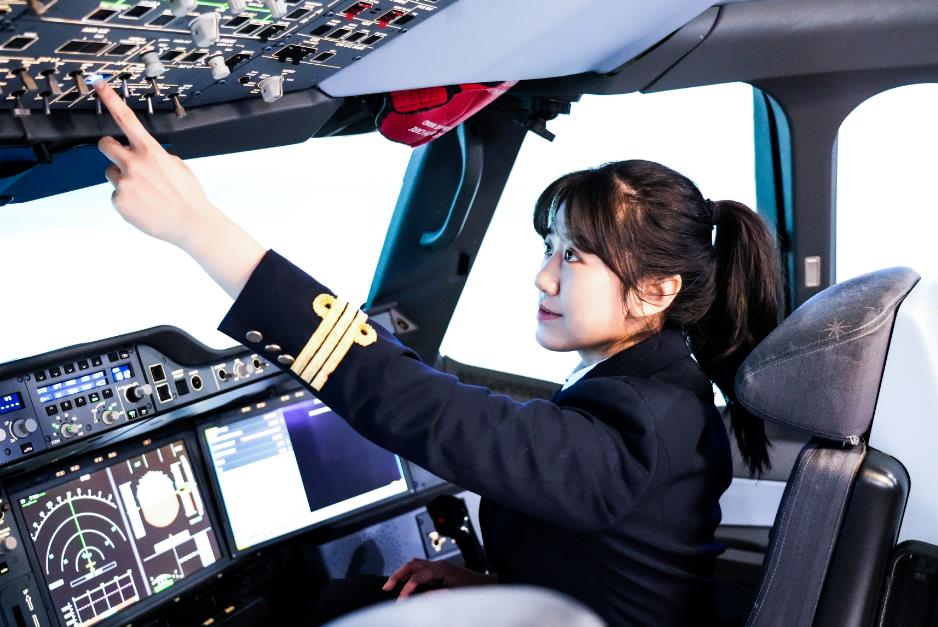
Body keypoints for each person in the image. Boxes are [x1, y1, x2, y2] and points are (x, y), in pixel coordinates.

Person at [92, 78, 782, 626]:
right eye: (550, 247)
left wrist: (197, 227)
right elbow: (623, 573)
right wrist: (492, 587)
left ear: (656, 290)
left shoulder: (637, 425)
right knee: (354, 598)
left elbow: (417, 404)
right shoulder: (664, 389)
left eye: (574, 257)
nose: (544, 277)